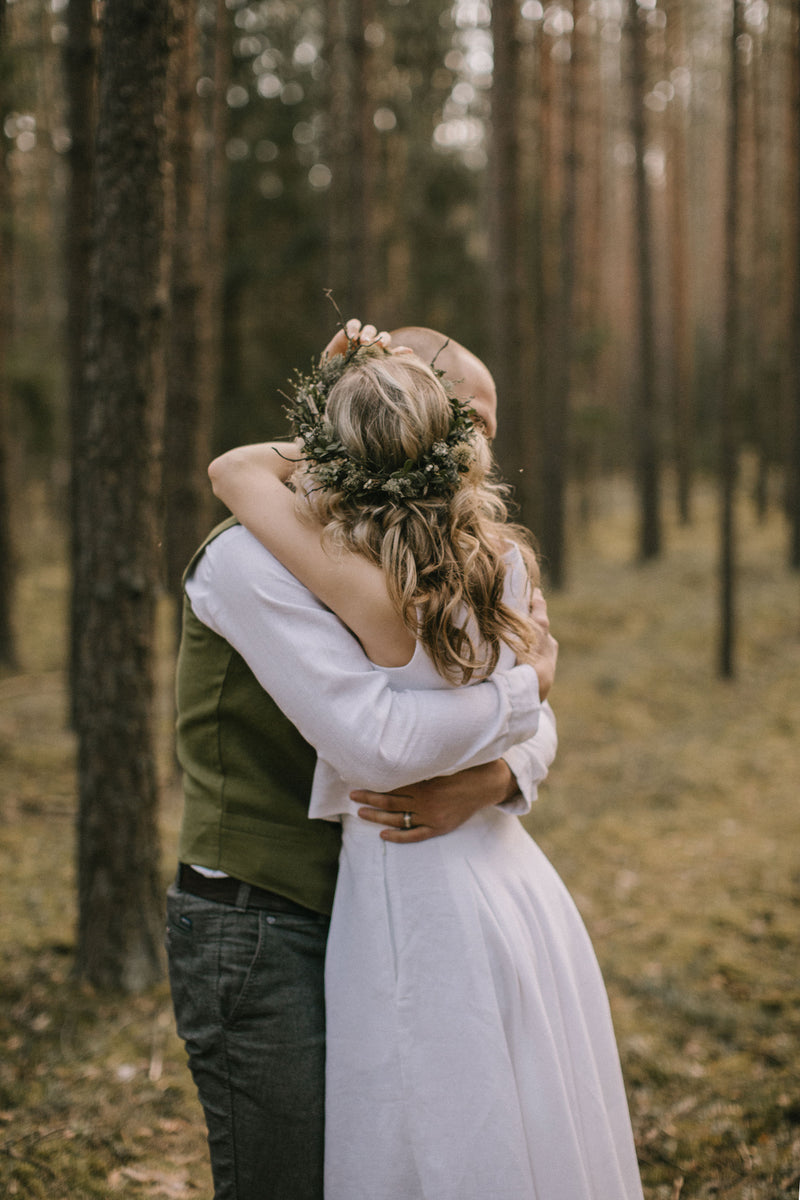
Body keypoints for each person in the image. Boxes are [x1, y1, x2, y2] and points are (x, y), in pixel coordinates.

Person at [209, 322, 644, 1199]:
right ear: (447, 442)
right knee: (501, 1105)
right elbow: (508, 708)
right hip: (482, 878)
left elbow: (233, 470)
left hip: (430, 871)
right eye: (470, 421)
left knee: (444, 1118)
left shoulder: (363, 580)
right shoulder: (501, 559)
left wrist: (496, 773)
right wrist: (524, 701)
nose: (488, 440)